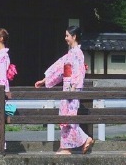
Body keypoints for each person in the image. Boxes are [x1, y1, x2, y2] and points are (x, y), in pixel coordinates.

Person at [34, 26, 94, 155]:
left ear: (74, 36)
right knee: (65, 116)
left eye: (67, 35)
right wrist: (45, 80)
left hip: (72, 88)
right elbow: (59, 67)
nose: (65, 38)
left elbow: (79, 72)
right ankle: (79, 141)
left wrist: (73, 88)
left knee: (68, 117)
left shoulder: (78, 53)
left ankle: (69, 147)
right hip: (67, 87)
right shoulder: (71, 53)